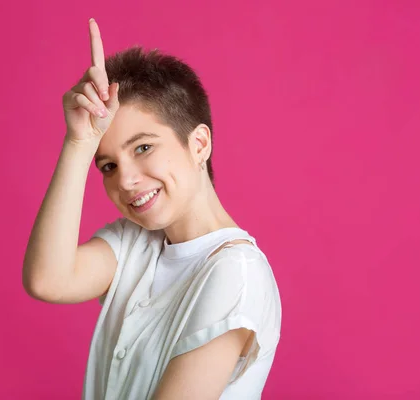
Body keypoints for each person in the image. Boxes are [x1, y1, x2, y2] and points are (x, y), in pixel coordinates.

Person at [22, 18, 282, 400]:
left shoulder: (235, 272)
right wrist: (79, 142)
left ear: (199, 144)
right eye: (108, 165)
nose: (125, 180)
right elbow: (48, 280)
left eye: (143, 147)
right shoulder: (134, 243)